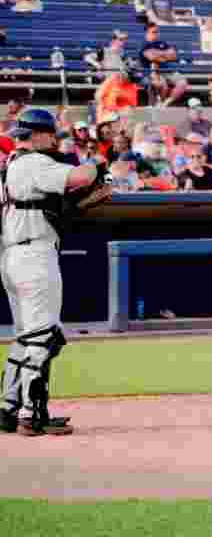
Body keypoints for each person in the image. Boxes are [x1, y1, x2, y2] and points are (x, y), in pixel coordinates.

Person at [1, 109, 108, 436]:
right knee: (44, 336)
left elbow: (58, 201)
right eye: (49, 133)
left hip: (14, 255)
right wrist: (95, 164)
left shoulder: (12, 167)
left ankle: (8, 407)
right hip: (34, 256)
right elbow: (79, 178)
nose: (53, 139)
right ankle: (32, 414)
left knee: (27, 336)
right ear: (36, 135)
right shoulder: (33, 162)